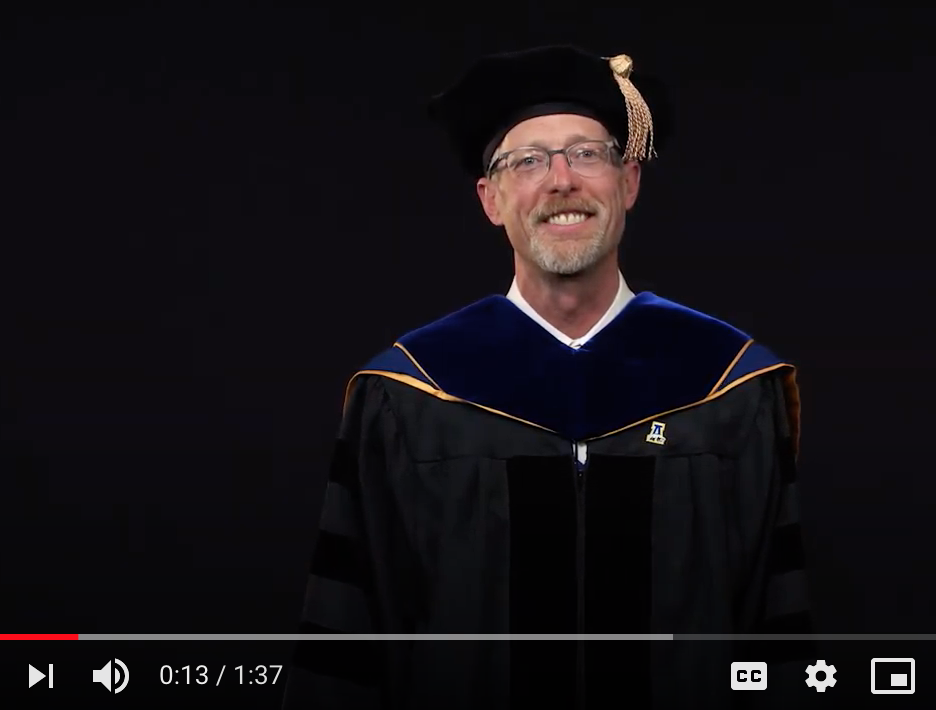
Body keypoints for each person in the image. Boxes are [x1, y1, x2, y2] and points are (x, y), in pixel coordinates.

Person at [282, 45, 814, 709]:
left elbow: (777, 634)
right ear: (492, 199)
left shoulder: (728, 386)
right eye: (527, 161)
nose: (561, 179)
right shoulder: (409, 396)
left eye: (587, 153)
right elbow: (347, 640)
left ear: (628, 183)